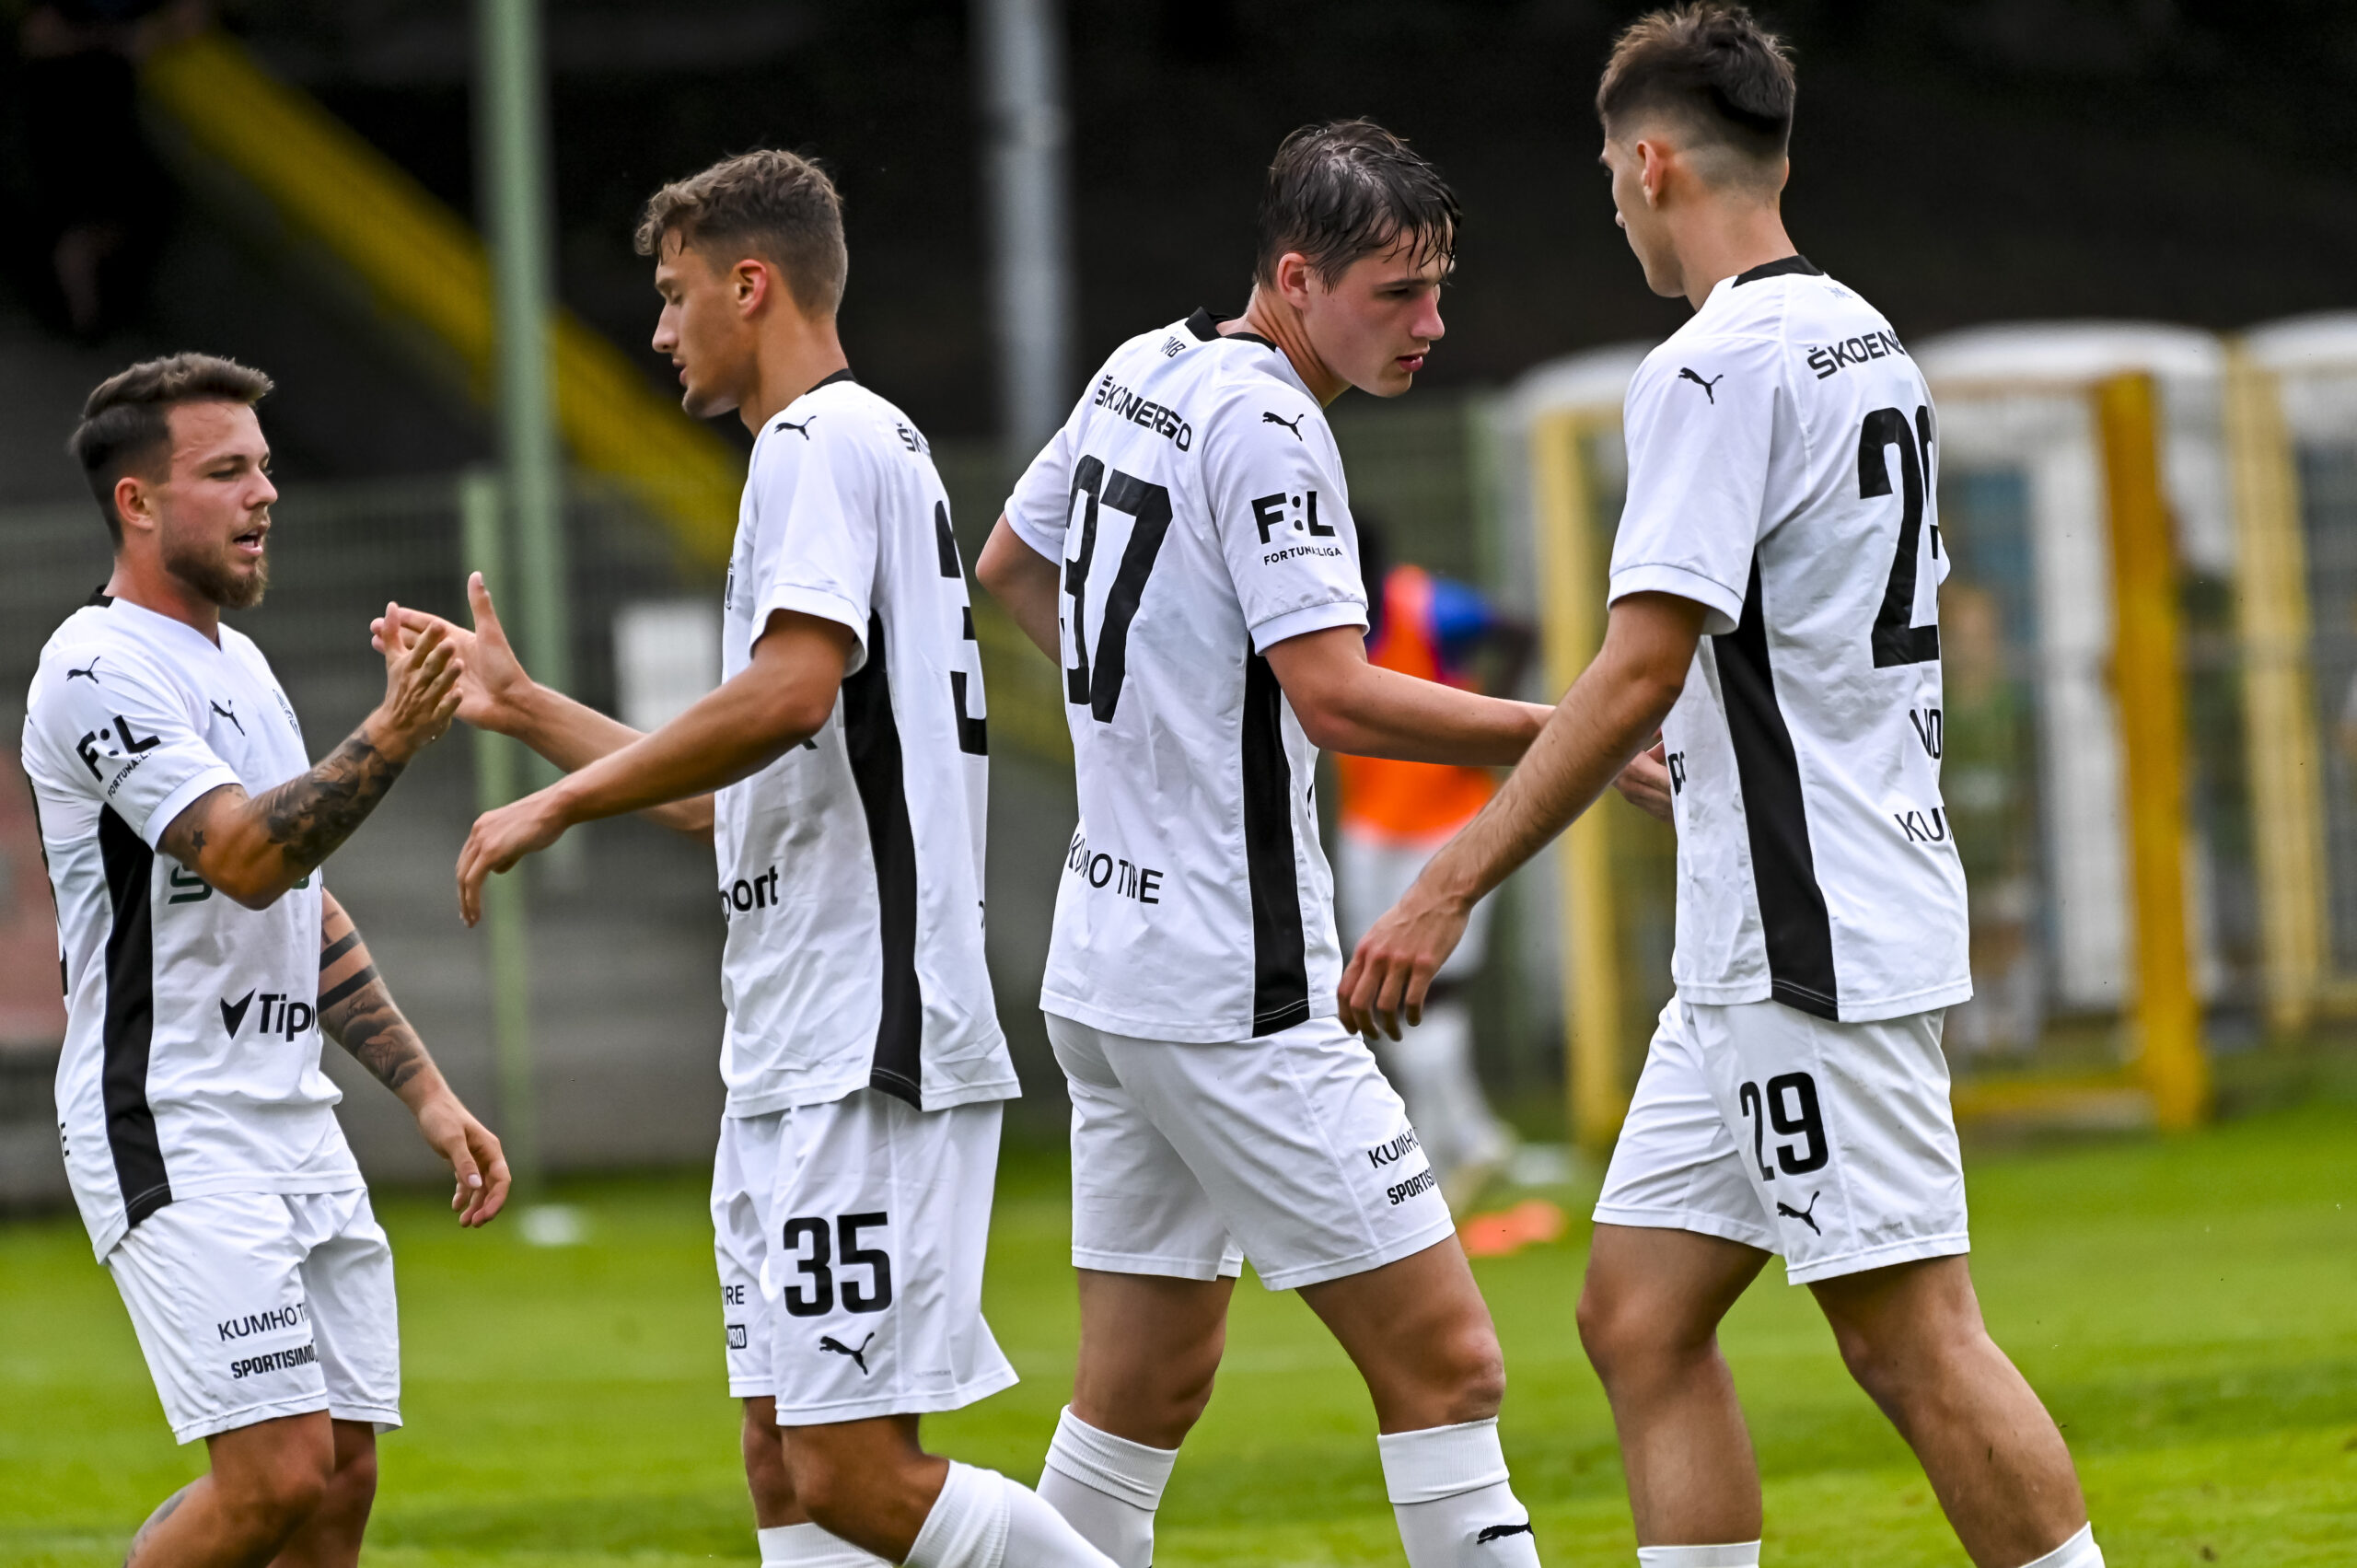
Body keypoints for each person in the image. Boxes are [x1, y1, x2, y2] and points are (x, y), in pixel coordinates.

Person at [1340, 9, 2104, 1568]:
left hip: (1806, 925)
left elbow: (1636, 658)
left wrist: (1445, 878)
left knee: (1911, 1336)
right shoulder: (1865, 338)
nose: (1617, 206)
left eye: (1612, 178)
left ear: (1655, 161)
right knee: (1638, 1315)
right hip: (1777, 914)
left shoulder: (1709, 367)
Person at [383, 150, 1116, 1568]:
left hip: (864, 1028)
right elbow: (739, 796)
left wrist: (555, 807)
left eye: (671, 297)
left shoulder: (818, 445)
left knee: (849, 1469)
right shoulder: (842, 457)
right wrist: (526, 706)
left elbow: (786, 692)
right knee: (785, 1457)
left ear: (751, 282)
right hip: (789, 1036)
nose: (659, 332)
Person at [976, 120, 1560, 1568]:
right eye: (1393, 294)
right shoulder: (1270, 418)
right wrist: (1576, 732)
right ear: (1295, 279)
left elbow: (1007, 566)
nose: (1429, 323)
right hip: (1232, 981)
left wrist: (1151, 713)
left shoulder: (1137, 366)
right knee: (1450, 1366)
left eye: (1437, 288)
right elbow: (1338, 695)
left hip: (1109, 965)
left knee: (1141, 1392)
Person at [22, 352, 508, 1568]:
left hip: (293, 1115)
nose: (264, 493)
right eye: (228, 470)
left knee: (339, 1479)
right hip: (171, 1111)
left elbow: (302, 902)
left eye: (267, 467)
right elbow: (243, 854)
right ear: (137, 503)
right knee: (274, 1472)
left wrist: (427, 1090)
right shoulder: (94, 669)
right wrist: (395, 730)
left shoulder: (240, 664)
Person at [1334, 521, 1534, 1206]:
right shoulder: (1319, 616)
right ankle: (1467, 1136)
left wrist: (1487, 719)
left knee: (1432, 986)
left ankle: (1433, 1147)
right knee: (1376, 984)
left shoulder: (1427, 606)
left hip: (1448, 823)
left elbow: (1518, 630)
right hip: (1368, 829)